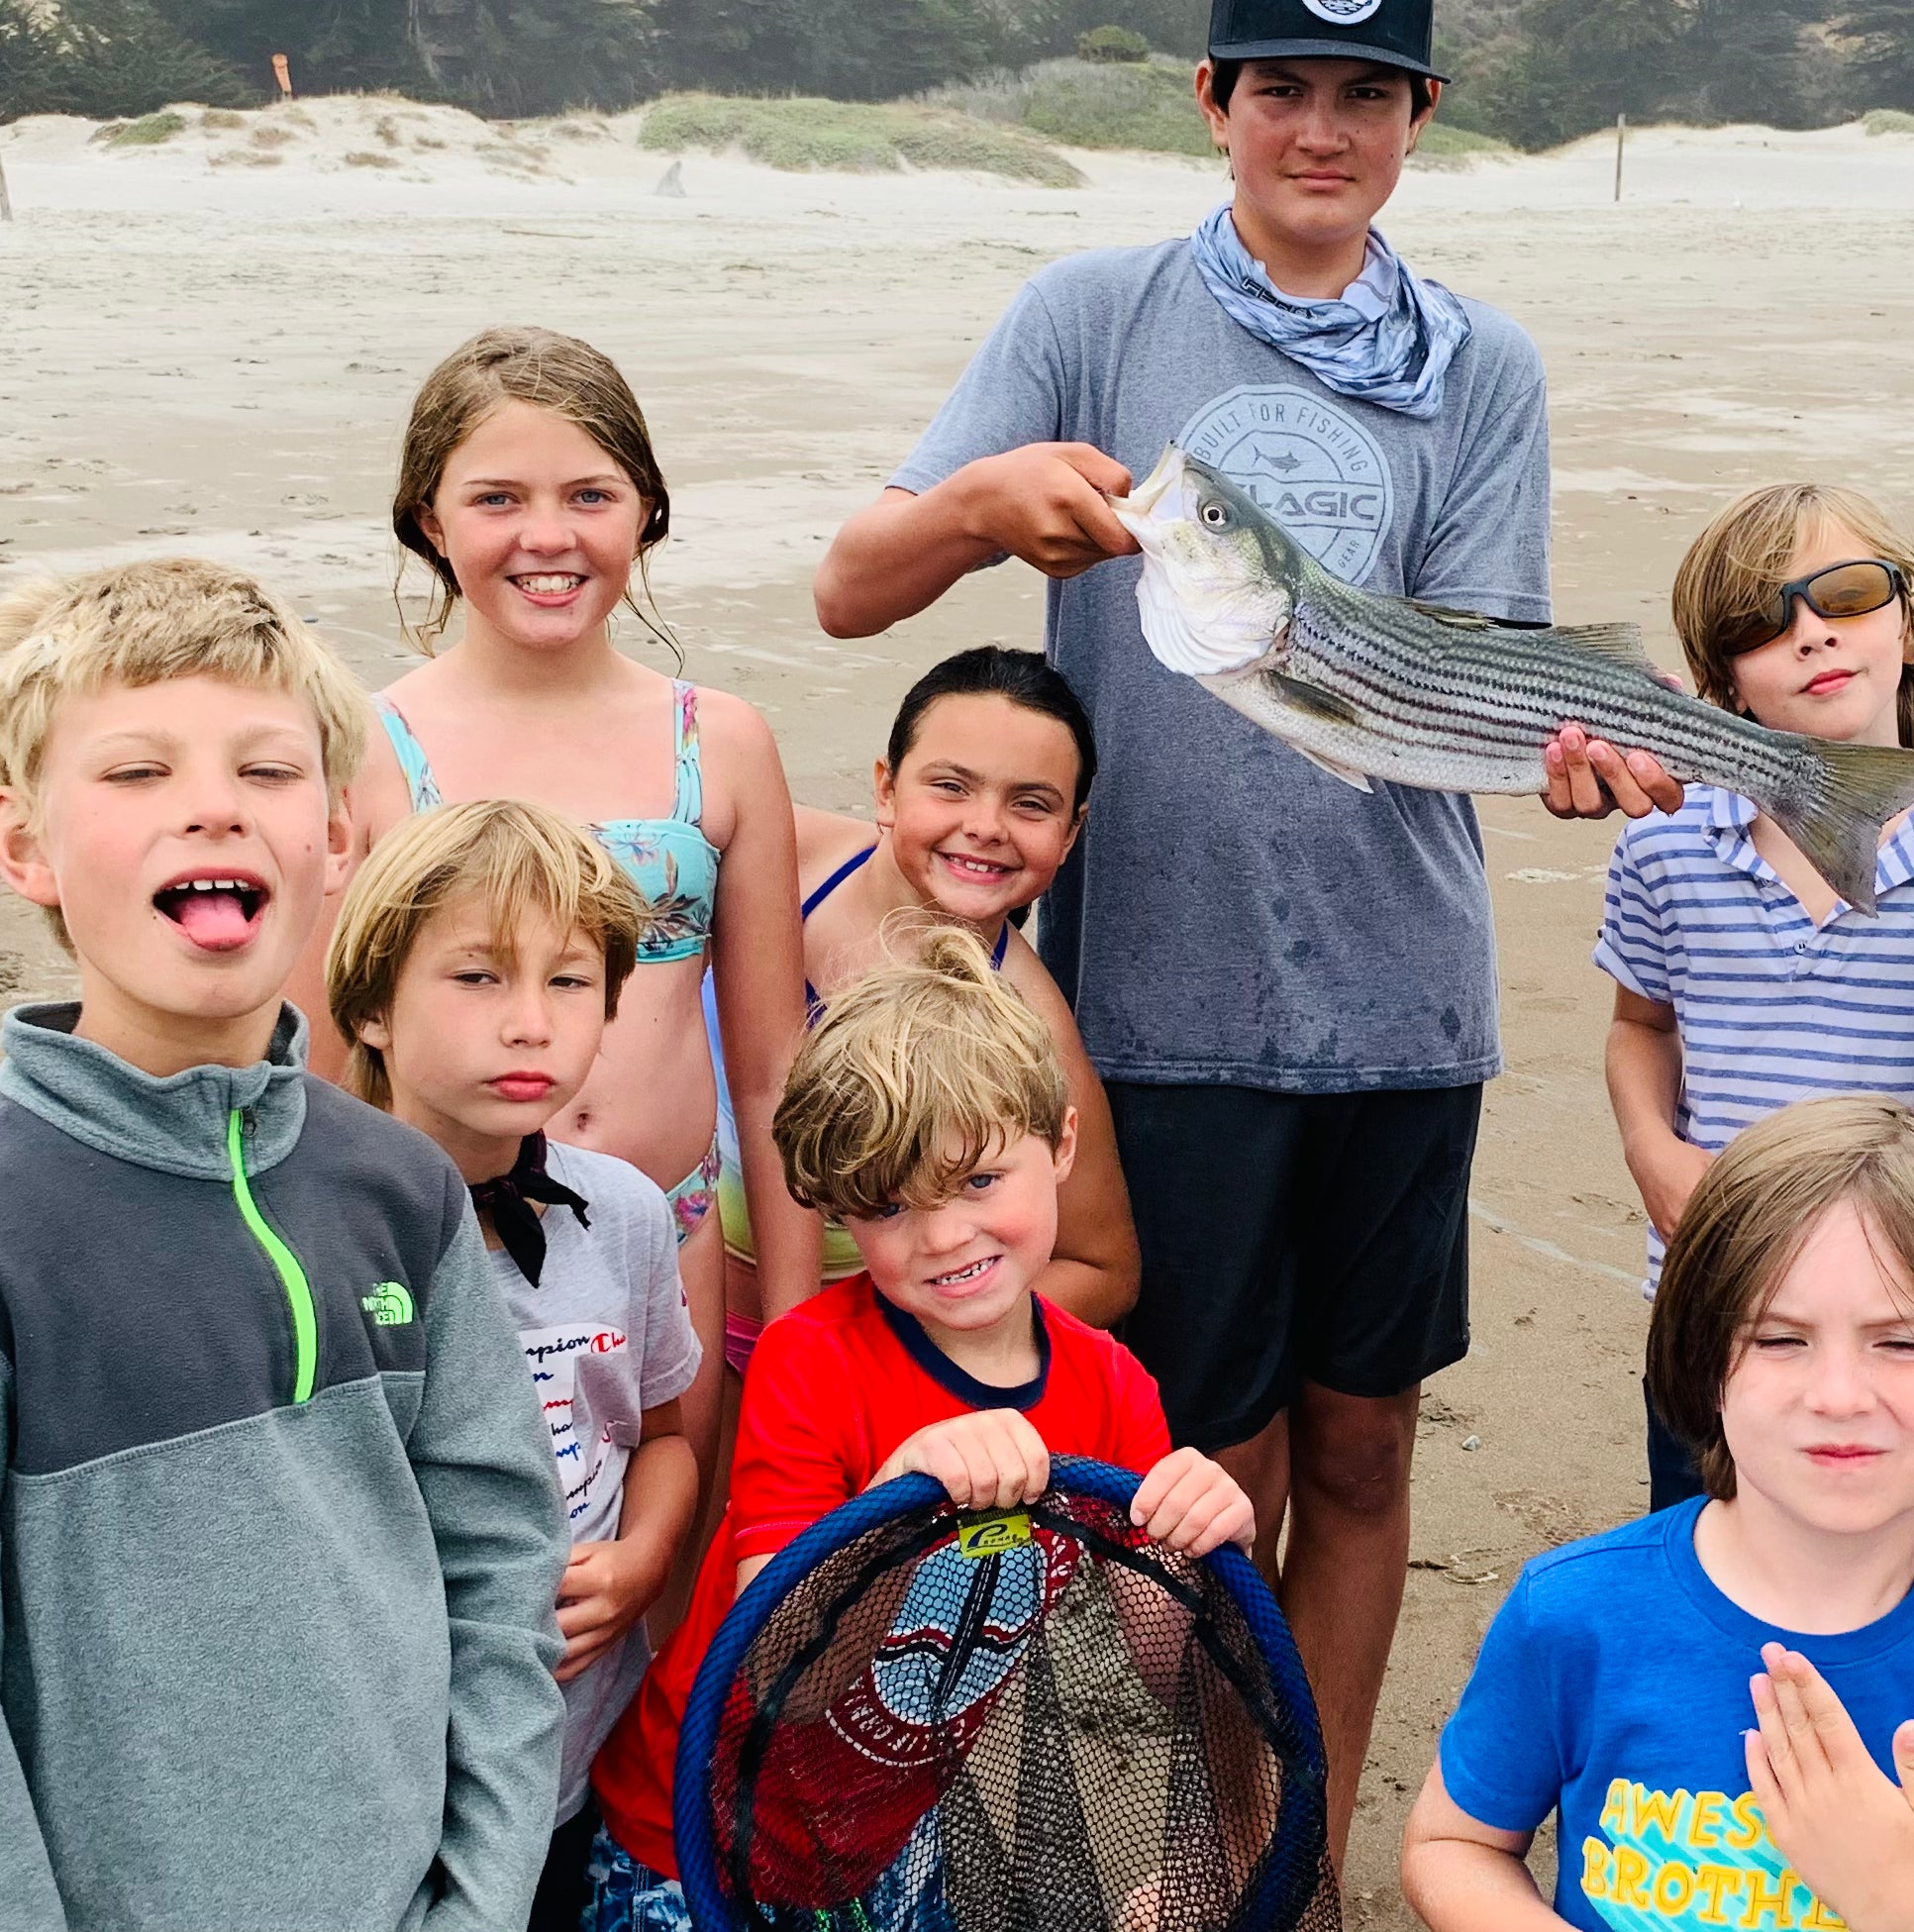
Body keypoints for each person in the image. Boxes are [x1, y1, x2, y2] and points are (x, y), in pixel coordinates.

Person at [812, 0, 1662, 1853]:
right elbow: (853, 584)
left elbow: (1481, 673)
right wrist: (971, 508)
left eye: (1368, 93)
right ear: (1212, 99)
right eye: (1280, 85)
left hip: (1401, 999)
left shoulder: (1481, 364)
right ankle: (1187, 1834)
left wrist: (1582, 752)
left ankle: (1301, 1841)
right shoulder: (1091, 315)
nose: (1321, 128)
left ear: (1422, 117)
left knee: (1363, 1444)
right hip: (1155, 1007)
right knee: (1199, 1460)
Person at [0, 559, 565, 1929]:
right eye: (135, 771)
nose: (212, 803)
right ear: (26, 850)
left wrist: (480, 1900)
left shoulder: (401, 1186)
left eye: (267, 769)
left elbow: (501, 1569)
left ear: (333, 839)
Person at [584, 928, 1253, 1925]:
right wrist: (893, 1503)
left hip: (894, 1832)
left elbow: (1157, 1661)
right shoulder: (811, 1358)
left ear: (1061, 1142)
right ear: (841, 1204)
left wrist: (1207, 1541)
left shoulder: (1111, 1385)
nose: (945, 1235)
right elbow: (783, 1672)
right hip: (695, 1836)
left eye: (980, 1180)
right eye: (892, 1206)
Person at [1397, 1095, 1914, 1932]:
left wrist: (1900, 1905)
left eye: (1903, 1342)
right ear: (1707, 1367)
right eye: (1779, 1339)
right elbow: (1454, 1846)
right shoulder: (1571, 1616)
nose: (1837, 1397)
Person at [314, 326, 817, 1505]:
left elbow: (769, 1070)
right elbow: (329, 1064)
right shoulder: (371, 750)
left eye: (590, 493)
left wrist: (793, 1322)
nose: (548, 535)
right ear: (431, 521)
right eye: (498, 497)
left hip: (670, 1235)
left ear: (644, 511)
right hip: (439, 1251)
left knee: (664, 1561)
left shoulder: (722, 741)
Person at [325, 798, 702, 1932]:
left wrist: (642, 1559)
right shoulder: (317, 1236)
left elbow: (667, 1434)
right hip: (390, 1765)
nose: (530, 1023)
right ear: (375, 1006)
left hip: (575, 1749)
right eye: (478, 977)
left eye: (570, 981)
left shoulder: (627, 1212)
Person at [1594, 482, 1914, 1510]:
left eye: (1848, 593)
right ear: (1720, 681)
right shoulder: (1667, 839)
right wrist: (1652, 1151)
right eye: (1758, 621)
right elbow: (1641, 1024)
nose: (1812, 633)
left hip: (1913, 1314)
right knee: (1706, 1569)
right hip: (1712, 1300)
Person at [771, 643, 1139, 1350]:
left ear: (1071, 835)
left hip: (868, 1346)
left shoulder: (1031, 1024)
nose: (986, 826)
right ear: (886, 788)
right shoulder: (774, 856)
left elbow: (1104, 1268)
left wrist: (888, 1349)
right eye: (950, 786)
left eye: (1031, 804)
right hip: (680, 1300)